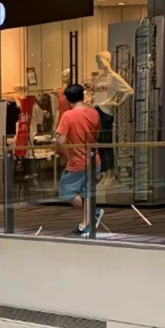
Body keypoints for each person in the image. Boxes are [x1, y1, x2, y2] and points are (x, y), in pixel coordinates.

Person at [55, 83, 103, 236]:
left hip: (77, 162)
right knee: (87, 192)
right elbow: (97, 135)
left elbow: (60, 140)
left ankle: (93, 213)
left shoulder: (68, 116)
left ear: (68, 100)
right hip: (93, 159)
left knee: (65, 190)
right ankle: (86, 224)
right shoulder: (94, 113)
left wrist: (56, 146)